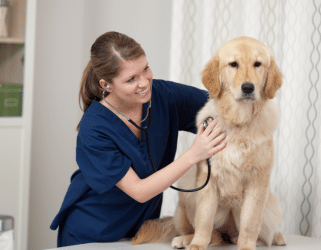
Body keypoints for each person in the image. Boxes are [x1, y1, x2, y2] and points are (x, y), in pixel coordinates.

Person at [50, 31, 227, 247]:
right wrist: (194, 154)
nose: (144, 82)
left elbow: (221, 104)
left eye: (145, 69)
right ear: (107, 85)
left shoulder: (164, 96)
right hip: (92, 232)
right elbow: (139, 191)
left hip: (141, 232)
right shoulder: (94, 128)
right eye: (131, 79)